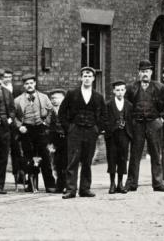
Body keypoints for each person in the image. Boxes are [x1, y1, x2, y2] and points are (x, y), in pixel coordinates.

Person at [124, 60, 164, 192]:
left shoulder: (160, 87)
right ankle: (131, 183)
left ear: (151, 72)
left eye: (147, 71)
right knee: (135, 154)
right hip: (137, 124)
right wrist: (131, 122)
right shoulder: (131, 88)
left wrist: (160, 120)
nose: (145, 74)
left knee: (156, 154)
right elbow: (126, 107)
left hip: (153, 124)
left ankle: (158, 183)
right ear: (138, 73)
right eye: (142, 71)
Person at [60, 66, 105, 199]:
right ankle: (71, 189)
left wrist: (97, 129)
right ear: (81, 78)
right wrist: (69, 128)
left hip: (91, 132)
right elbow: (62, 113)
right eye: (84, 76)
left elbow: (104, 115)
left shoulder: (98, 96)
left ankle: (85, 189)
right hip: (75, 131)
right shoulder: (72, 94)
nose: (87, 78)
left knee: (87, 161)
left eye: (89, 76)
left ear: (93, 79)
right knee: (73, 160)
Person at [13, 73, 55, 193]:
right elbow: (13, 116)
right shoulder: (18, 100)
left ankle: (50, 184)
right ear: (24, 86)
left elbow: (51, 111)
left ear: (35, 83)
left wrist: (45, 123)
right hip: (26, 130)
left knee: (44, 157)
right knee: (29, 157)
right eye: (27, 84)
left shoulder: (44, 97)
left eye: (31, 83)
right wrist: (20, 126)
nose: (29, 85)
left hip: (40, 129)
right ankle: (31, 184)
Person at [102, 80, 132, 194]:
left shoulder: (129, 105)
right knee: (112, 159)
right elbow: (105, 120)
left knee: (122, 158)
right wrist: (113, 126)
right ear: (114, 91)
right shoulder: (108, 105)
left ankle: (120, 183)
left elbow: (131, 121)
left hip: (124, 135)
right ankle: (112, 184)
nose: (120, 92)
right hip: (112, 136)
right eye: (117, 90)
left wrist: (127, 129)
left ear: (125, 91)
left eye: (122, 90)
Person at [46, 88, 68, 193]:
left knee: (66, 162)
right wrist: (50, 143)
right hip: (55, 140)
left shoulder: (68, 111)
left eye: (56, 98)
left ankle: (67, 185)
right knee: (57, 163)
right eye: (52, 98)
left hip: (66, 139)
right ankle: (59, 184)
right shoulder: (49, 112)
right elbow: (47, 127)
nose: (54, 100)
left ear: (63, 99)